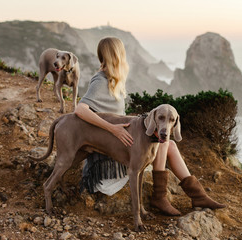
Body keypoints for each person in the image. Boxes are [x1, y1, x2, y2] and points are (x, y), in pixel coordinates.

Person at [75, 37, 225, 216]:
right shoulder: (100, 81)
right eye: (123, 53)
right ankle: (164, 197)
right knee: (163, 142)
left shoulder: (114, 80)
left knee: (166, 141)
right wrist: (113, 128)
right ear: (118, 55)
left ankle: (196, 195)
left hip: (121, 150)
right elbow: (80, 110)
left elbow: (115, 115)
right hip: (110, 161)